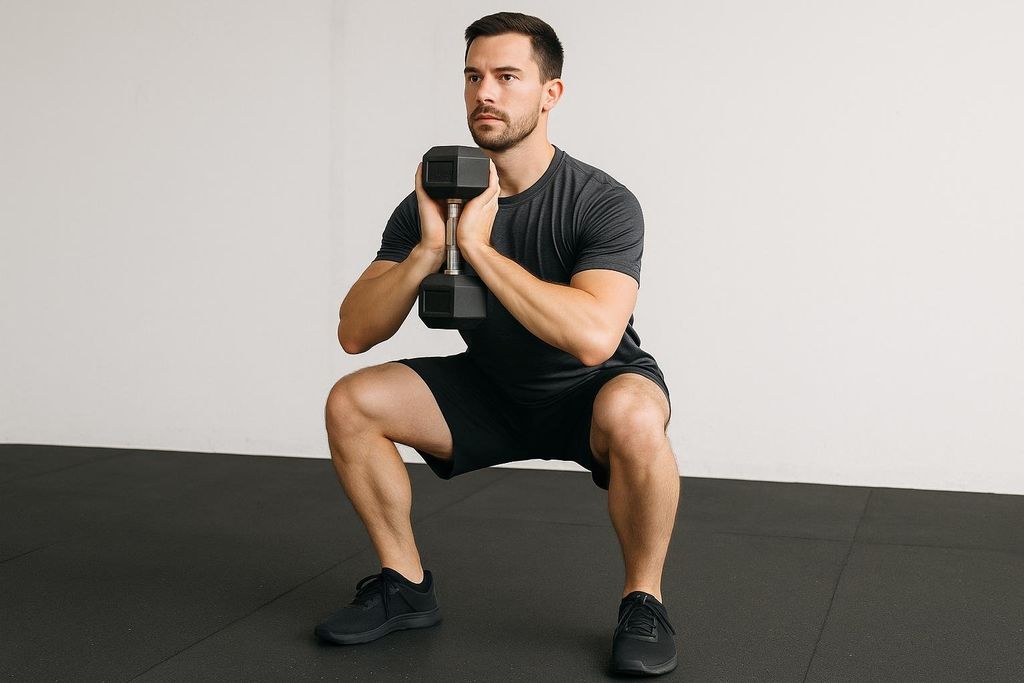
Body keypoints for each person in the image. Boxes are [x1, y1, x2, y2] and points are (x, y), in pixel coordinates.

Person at [315, 11, 679, 677]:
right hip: (490, 388)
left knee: (634, 412)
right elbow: (354, 330)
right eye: (474, 76)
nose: (485, 92)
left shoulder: (599, 201)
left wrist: (477, 246)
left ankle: (643, 600)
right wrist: (429, 246)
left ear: (550, 93)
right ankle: (404, 584)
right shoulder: (435, 198)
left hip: (589, 392)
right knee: (352, 402)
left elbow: (596, 337)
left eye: (507, 76)